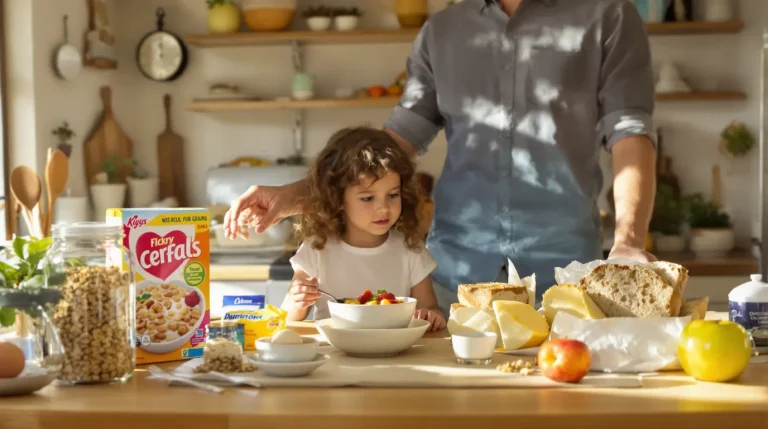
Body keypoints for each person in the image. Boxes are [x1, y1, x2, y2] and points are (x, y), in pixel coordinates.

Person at [225, 0, 658, 316]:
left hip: (563, 274)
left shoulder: (607, 16)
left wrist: (629, 242)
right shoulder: (443, 30)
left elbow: (629, 132)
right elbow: (398, 140)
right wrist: (296, 195)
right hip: (457, 278)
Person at [279, 127, 447, 331]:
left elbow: (430, 308)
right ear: (338, 199)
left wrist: (431, 315)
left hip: (394, 354)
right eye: (368, 198)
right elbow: (288, 316)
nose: (384, 208)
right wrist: (297, 301)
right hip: (334, 356)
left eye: (393, 195)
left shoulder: (410, 249)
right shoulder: (316, 248)